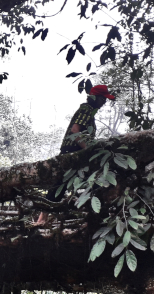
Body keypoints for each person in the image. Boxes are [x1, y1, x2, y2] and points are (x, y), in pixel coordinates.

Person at [33, 84, 116, 225]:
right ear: (95, 98)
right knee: (95, 180)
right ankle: (96, 217)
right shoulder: (86, 109)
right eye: (103, 99)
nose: (104, 102)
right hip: (72, 154)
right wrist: (88, 150)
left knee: (60, 184)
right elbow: (75, 130)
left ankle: (42, 219)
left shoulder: (88, 111)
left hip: (71, 153)